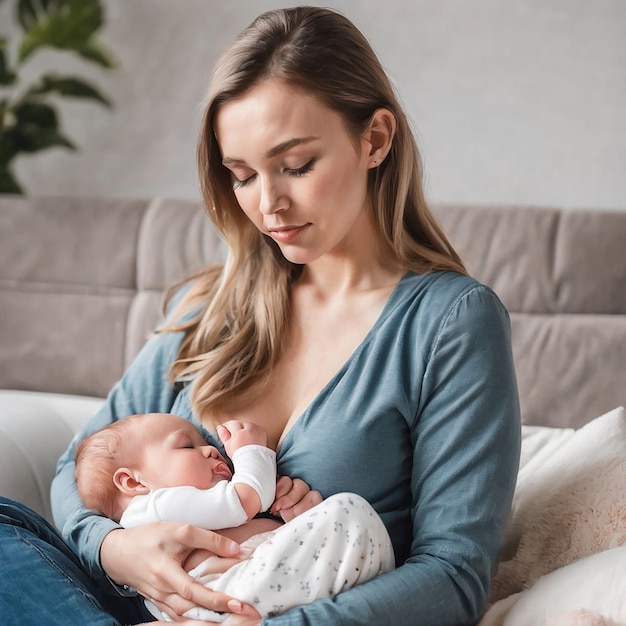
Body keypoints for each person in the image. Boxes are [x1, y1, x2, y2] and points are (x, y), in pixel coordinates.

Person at [0, 6, 521, 625]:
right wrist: (116, 548)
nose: (269, 204)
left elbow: (453, 578)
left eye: (296, 166)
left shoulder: (450, 323)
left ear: (375, 139)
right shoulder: (211, 308)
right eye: (243, 176)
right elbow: (78, 467)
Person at [74, 413, 394, 622]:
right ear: (133, 482)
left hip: (225, 593)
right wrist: (251, 451)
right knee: (350, 513)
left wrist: (295, 520)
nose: (213, 451)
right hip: (221, 594)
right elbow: (246, 500)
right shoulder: (154, 506)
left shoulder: (168, 507)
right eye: (187, 446)